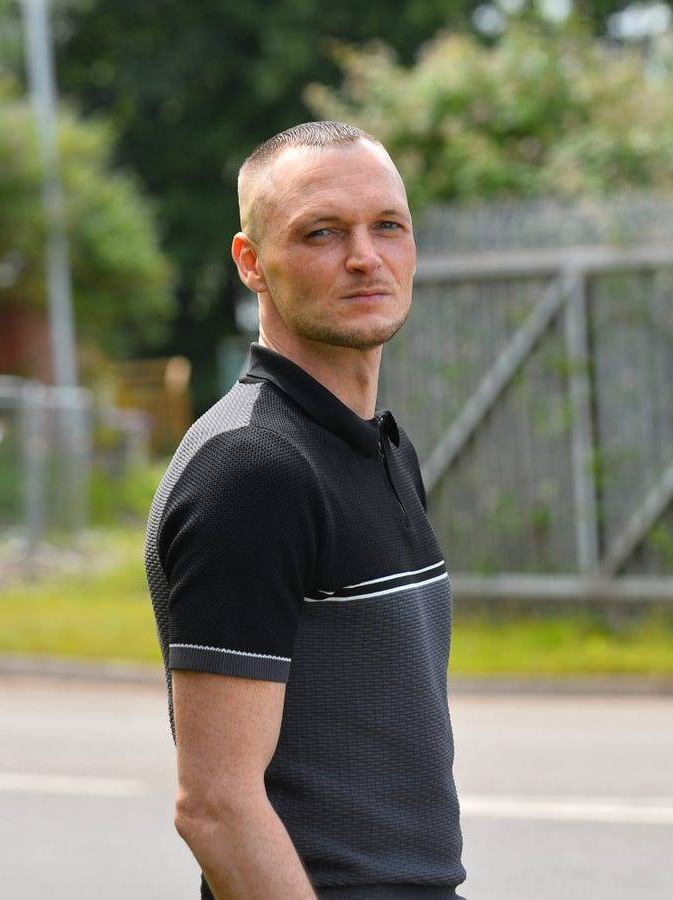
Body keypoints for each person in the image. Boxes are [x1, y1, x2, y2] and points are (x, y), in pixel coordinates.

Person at [144, 121, 467, 899]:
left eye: (387, 226)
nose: (365, 257)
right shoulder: (252, 470)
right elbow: (216, 806)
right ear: (251, 262)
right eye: (321, 233)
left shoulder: (377, 445)